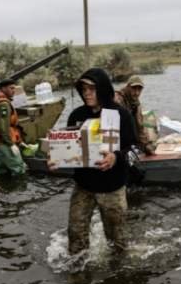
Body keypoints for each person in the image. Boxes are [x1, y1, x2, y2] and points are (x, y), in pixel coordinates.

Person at [53, 68, 137, 256]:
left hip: (112, 188)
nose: (87, 93)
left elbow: (135, 151)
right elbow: (69, 148)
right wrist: (57, 159)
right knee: (75, 235)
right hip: (84, 186)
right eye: (83, 89)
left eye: (92, 88)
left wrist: (116, 157)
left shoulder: (121, 115)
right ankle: (78, 273)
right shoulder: (77, 115)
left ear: (103, 88)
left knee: (118, 243)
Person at [0, 78, 26, 176]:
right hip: (4, 144)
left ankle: (4, 190)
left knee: (2, 172)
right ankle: (19, 190)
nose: (13, 91)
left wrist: (20, 142)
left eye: (14, 88)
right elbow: (4, 126)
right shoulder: (4, 104)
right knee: (19, 169)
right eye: (11, 88)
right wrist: (10, 144)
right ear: (3, 89)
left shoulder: (0, 102)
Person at [114, 75, 155, 155]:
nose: (137, 93)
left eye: (139, 89)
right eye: (134, 88)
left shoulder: (136, 103)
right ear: (128, 87)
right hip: (119, 143)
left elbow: (140, 127)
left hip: (131, 143)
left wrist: (145, 145)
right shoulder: (118, 99)